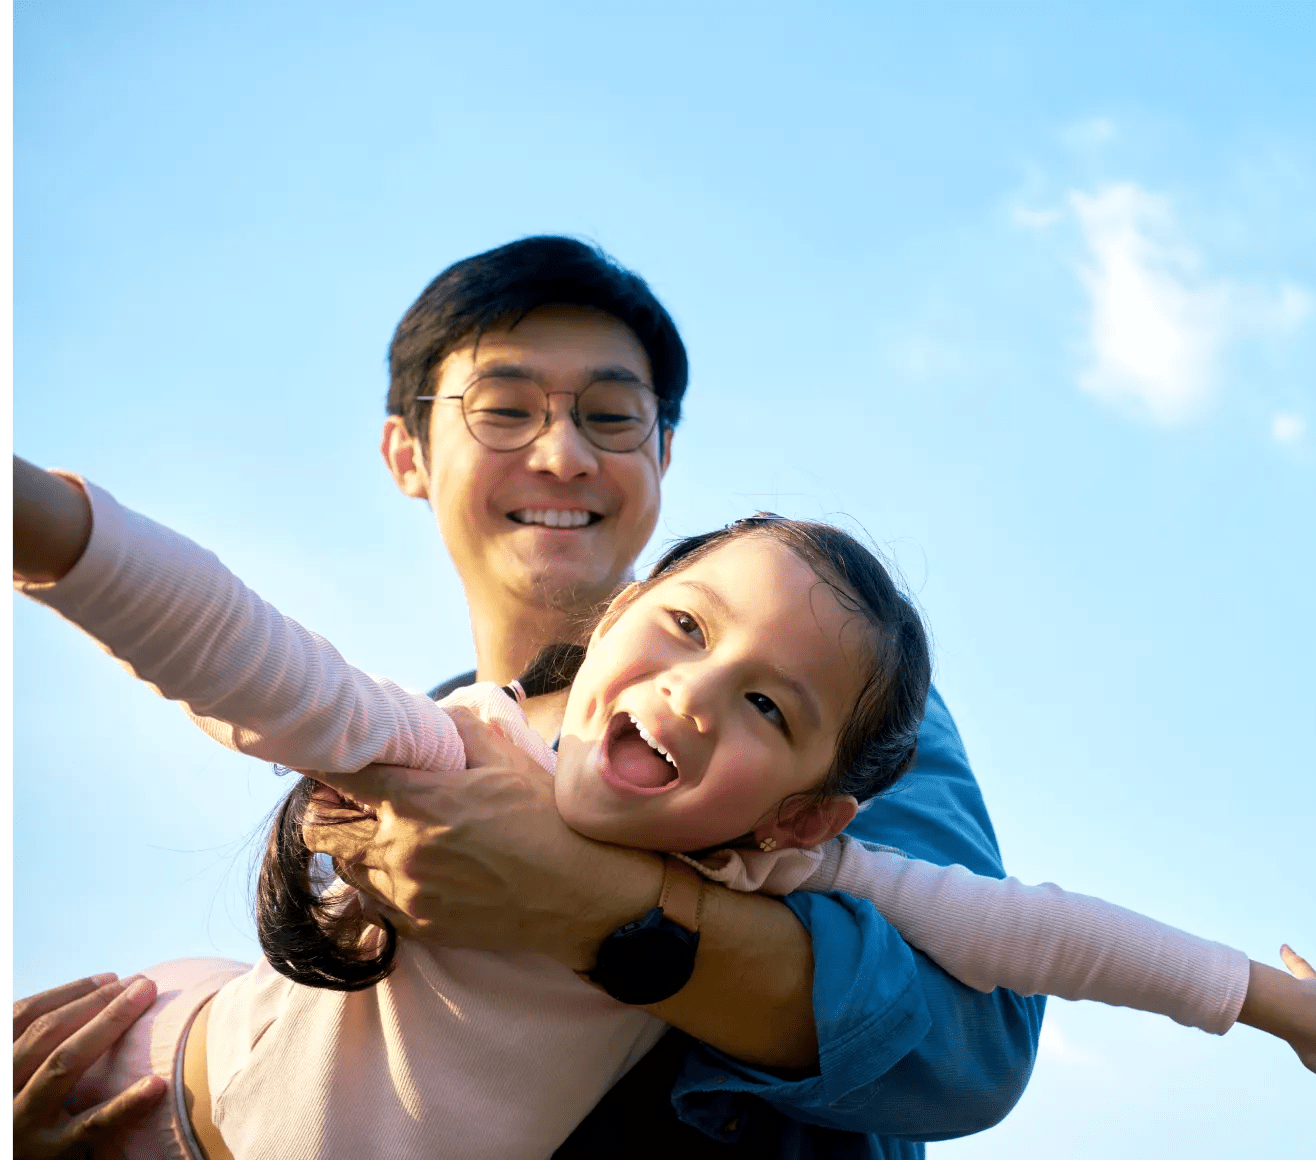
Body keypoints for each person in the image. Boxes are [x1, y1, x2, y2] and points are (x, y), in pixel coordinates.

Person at [15, 236, 1042, 1159]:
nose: (561, 453)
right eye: (503, 408)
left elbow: (971, 1045)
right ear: (406, 454)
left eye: (610, 415)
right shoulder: (420, 729)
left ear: (660, 455)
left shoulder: (820, 709)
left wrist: (583, 900)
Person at [12, 460, 1316, 1160]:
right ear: (612, 619)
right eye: (686, 627)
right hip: (158, 1071)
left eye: (768, 709)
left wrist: (1275, 1005)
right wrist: (52, 528)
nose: (696, 694)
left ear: (807, 814)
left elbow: (1048, 945)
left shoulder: (788, 877)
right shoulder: (456, 743)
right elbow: (240, 652)